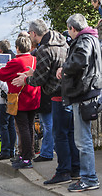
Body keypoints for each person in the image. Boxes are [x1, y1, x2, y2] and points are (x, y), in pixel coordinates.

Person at [12, 19, 80, 184]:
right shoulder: (63, 43)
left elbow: (41, 79)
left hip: (56, 95)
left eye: (30, 33)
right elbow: (53, 69)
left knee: (60, 135)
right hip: (69, 93)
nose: (29, 36)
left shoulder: (44, 49)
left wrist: (27, 79)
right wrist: (33, 73)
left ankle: (63, 171)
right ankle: (75, 169)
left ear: (34, 33)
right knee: (70, 133)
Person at [58, 14, 102, 192]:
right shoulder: (93, 38)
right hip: (90, 92)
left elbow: (81, 60)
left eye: (69, 29)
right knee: (84, 139)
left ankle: (89, 178)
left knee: (82, 140)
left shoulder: (84, 40)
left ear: (72, 28)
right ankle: (88, 176)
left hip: (83, 94)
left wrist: (65, 68)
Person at [0, 35, 41, 169]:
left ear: (17, 48)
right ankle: (29, 153)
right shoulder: (34, 60)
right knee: (30, 127)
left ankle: (26, 158)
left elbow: (1, 75)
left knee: (23, 128)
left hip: (20, 99)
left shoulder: (16, 62)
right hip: (34, 97)